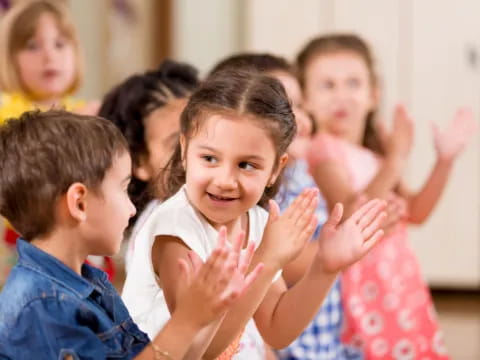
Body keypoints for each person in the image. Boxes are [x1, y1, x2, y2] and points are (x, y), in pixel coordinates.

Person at [122, 69, 387, 359]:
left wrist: (325, 267)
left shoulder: (257, 221)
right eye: (209, 158)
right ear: (185, 150)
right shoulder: (174, 230)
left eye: (246, 165)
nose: (225, 180)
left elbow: (276, 329)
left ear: (275, 169)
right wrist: (267, 259)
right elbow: (199, 350)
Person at [0, 109, 262, 359]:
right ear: (79, 202)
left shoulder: (90, 283)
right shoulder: (43, 305)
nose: (131, 208)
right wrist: (187, 320)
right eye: (123, 189)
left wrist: (207, 312)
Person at [298, 33, 476, 359]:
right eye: (327, 85)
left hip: (397, 282)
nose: (341, 96)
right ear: (305, 98)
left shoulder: (375, 156)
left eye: (353, 83)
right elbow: (353, 213)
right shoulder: (321, 150)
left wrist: (444, 161)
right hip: (361, 289)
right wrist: (396, 159)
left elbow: (417, 213)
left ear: (373, 95)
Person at [0, 0, 100, 285]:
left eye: (60, 44)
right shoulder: (7, 114)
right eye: (33, 46)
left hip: (83, 236)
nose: (49, 56)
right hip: (29, 241)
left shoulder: (85, 110)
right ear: (10, 58)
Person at [98, 59, 200, 271]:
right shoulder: (165, 229)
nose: (199, 151)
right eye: (176, 143)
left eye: (203, 134)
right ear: (138, 162)